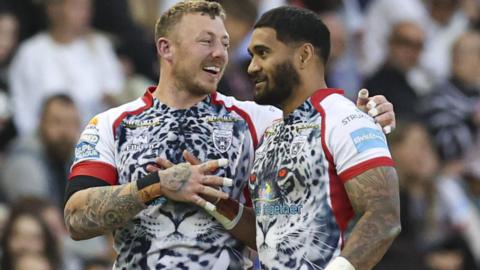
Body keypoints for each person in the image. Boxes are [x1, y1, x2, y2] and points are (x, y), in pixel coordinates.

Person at [64, 1, 397, 269]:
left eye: (225, 43)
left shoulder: (259, 119)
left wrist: (365, 114)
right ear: (166, 48)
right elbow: (76, 219)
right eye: (206, 41)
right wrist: (155, 187)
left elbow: (324, 126)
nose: (221, 53)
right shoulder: (110, 123)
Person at [194, 6, 400, 270]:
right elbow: (271, 236)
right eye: (251, 55)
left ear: (303, 55)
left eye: (263, 53)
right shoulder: (272, 132)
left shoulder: (346, 119)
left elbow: (384, 216)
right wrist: (213, 200)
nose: (252, 67)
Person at [1, 94, 81, 207]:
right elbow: (37, 215)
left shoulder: (69, 154)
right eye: (57, 122)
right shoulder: (24, 159)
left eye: (72, 124)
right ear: (41, 122)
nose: (65, 132)